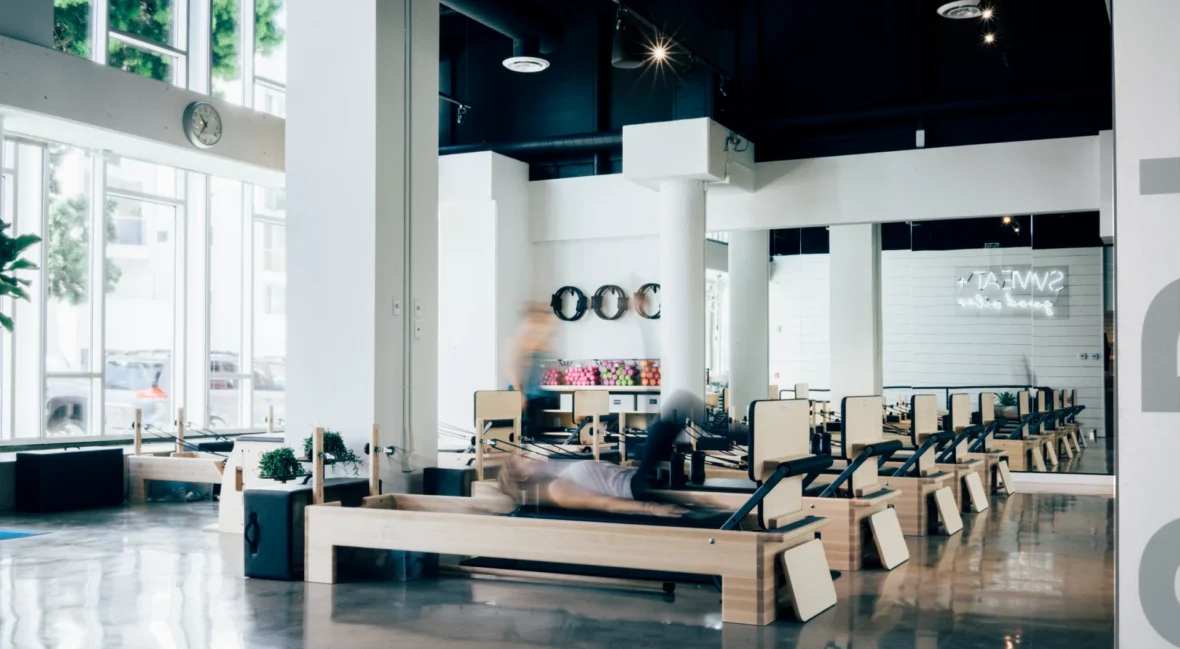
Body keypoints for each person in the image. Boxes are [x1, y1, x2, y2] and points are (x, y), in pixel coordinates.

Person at [496, 395, 697, 518]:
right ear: (522, 476)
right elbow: (604, 503)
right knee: (670, 413)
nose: (530, 454)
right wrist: (652, 509)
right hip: (636, 487)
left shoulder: (555, 473)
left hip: (638, 479)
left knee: (667, 419)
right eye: (523, 457)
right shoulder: (557, 489)